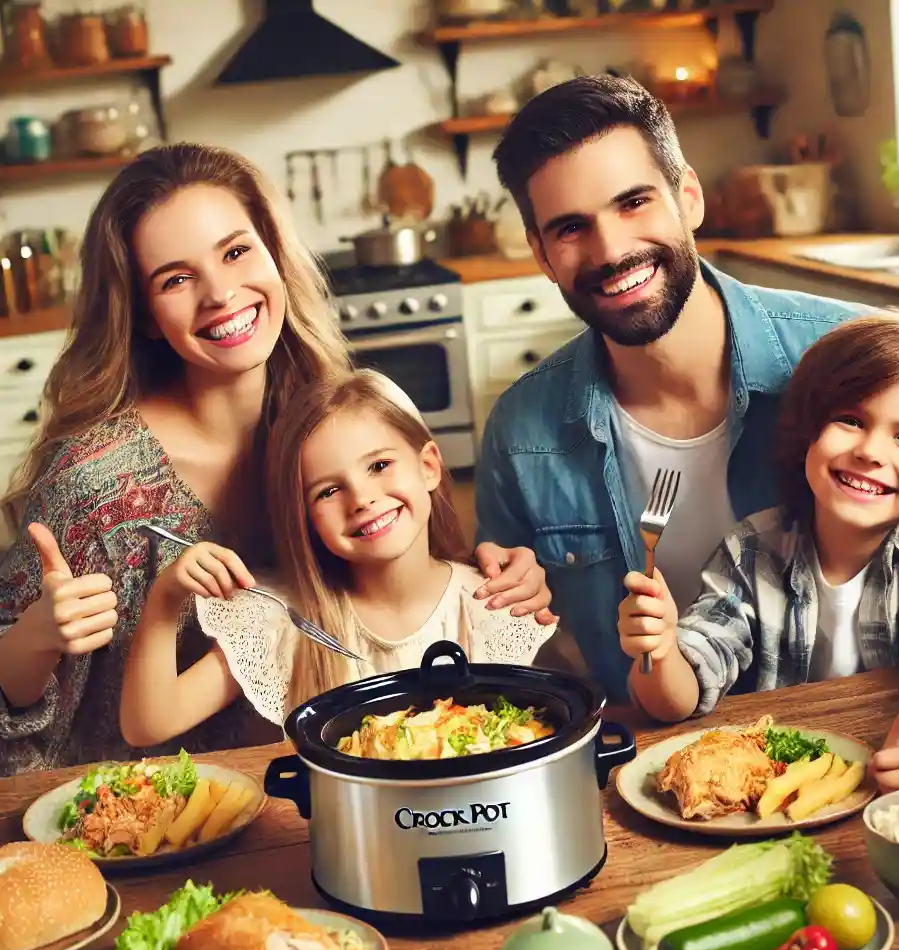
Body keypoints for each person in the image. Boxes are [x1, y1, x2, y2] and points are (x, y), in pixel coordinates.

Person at [476, 72, 899, 707]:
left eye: (634, 202)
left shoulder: (843, 359)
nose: (612, 249)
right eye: (571, 228)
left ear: (689, 198)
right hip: (652, 749)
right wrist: (502, 600)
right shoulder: (521, 432)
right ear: (541, 254)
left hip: (879, 740)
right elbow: (506, 635)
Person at [0, 144, 550, 775]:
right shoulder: (95, 485)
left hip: (292, 797)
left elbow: (409, 571)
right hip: (131, 809)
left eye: (236, 252)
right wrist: (36, 636)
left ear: (273, 256)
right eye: (176, 280)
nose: (221, 293)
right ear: (145, 316)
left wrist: (500, 575)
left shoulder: (326, 423)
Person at [618, 311, 899, 790]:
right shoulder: (750, 548)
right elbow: (676, 698)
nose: (871, 451)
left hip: (890, 791)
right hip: (769, 790)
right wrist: (657, 650)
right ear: (808, 432)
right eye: (850, 420)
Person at [121, 370, 558, 740]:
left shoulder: (496, 605)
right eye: (328, 491)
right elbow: (148, 725)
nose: (362, 498)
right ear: (305, 517)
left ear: (428, 466)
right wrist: (166, 598)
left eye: (379, 466)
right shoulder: (285, 622)